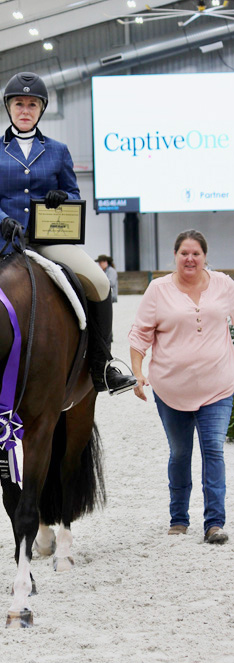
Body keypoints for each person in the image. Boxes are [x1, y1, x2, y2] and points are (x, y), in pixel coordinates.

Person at [0, 71, 136, 395]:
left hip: (49, 238)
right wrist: (2, 221)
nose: (25, 110)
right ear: (9, 107)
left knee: (100, 283)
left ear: (41, 109)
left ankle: (104, 364)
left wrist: (64, 198)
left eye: (32, 104)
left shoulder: (57, 150)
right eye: (19, 103)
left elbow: (72, 193)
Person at [128, 230, 234, 544]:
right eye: (184, 253)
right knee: (179, 453)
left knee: (214, 450)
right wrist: (137, 373)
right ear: (175, 256)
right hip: (171, 390)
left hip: (218, 386)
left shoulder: (225, 285)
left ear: (205, 257)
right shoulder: (157, 290)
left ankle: (214, 523)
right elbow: (139, 335)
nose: (189, 259)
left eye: (196, 254)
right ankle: (178, 518)